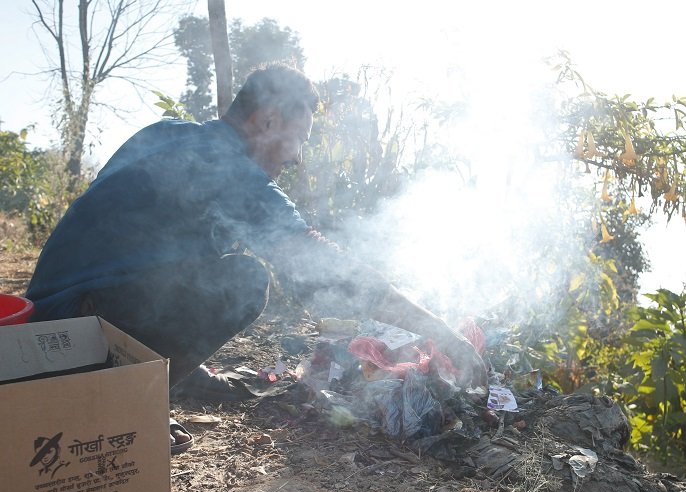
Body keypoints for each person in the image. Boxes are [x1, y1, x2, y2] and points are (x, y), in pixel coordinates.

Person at [25, 62, 486, 397]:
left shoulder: (167, 133)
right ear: (267, 121)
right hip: (75, 336)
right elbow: (314, 262)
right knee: (244, 280)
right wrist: (439, 332)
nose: (298, 157)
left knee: (209, 264)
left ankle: (154, 377)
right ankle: (127, 406)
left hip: (42, 327)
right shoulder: (224, 167)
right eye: (300, 138)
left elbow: (141, 252)